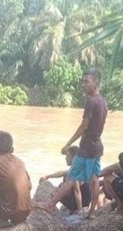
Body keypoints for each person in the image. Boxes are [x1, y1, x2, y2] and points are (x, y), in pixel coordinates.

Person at [36, 69, 108, 219]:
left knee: (71, 178)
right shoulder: (103, 101)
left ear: (96, 82)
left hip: (87, 147)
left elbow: (84, 126)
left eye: (86, 82)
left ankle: (49, 205)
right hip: (97, 146)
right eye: (83, 81)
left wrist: (68, 144)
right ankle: (92, 212)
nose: (84, 85)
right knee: (94, 179)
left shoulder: (91, 101)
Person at [39, 146, 91, 213]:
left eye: (67, 156)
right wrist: (48, 176)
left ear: (73, 157)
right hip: (85, 201)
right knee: (62, 183)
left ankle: (49, 206)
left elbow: (77, 191)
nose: (66, 158)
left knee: (53, 191)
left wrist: (80, 210)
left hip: (78, 204)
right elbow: (63, 172)